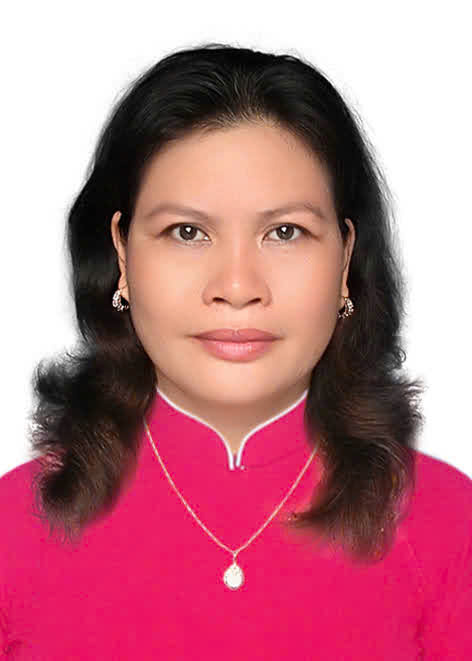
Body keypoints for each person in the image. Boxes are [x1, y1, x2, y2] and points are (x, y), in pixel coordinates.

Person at [0, 42, 470, 659]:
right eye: (187, 232)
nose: (238, 287)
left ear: (346, 258)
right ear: (121, 254)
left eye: (285, 232)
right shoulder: (12, 530)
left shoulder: (449, 524)